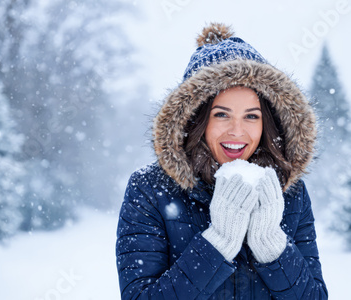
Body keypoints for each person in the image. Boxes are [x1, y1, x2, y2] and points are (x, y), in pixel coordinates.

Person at [116, 23, 328, 299]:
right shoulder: (149, 190)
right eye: (221, 115)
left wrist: (272, 248)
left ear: (268, 123)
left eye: (251, 116)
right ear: (195, 118)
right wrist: (216, 245)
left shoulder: (290, 192)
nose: (237, 132)